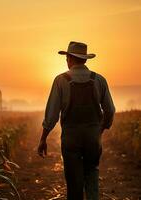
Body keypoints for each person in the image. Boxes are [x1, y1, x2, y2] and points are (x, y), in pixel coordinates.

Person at [37, 41, 115, 200]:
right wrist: (102, 128)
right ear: (85, 60)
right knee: (92, 173)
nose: (66, 61)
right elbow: (110, 110)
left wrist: (43, 138)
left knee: (73, 182)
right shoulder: (99, 80)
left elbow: (51, 114)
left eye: (67, 57)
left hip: (70, 138)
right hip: (93, 137)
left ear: (70, 59)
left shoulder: (60, 80)